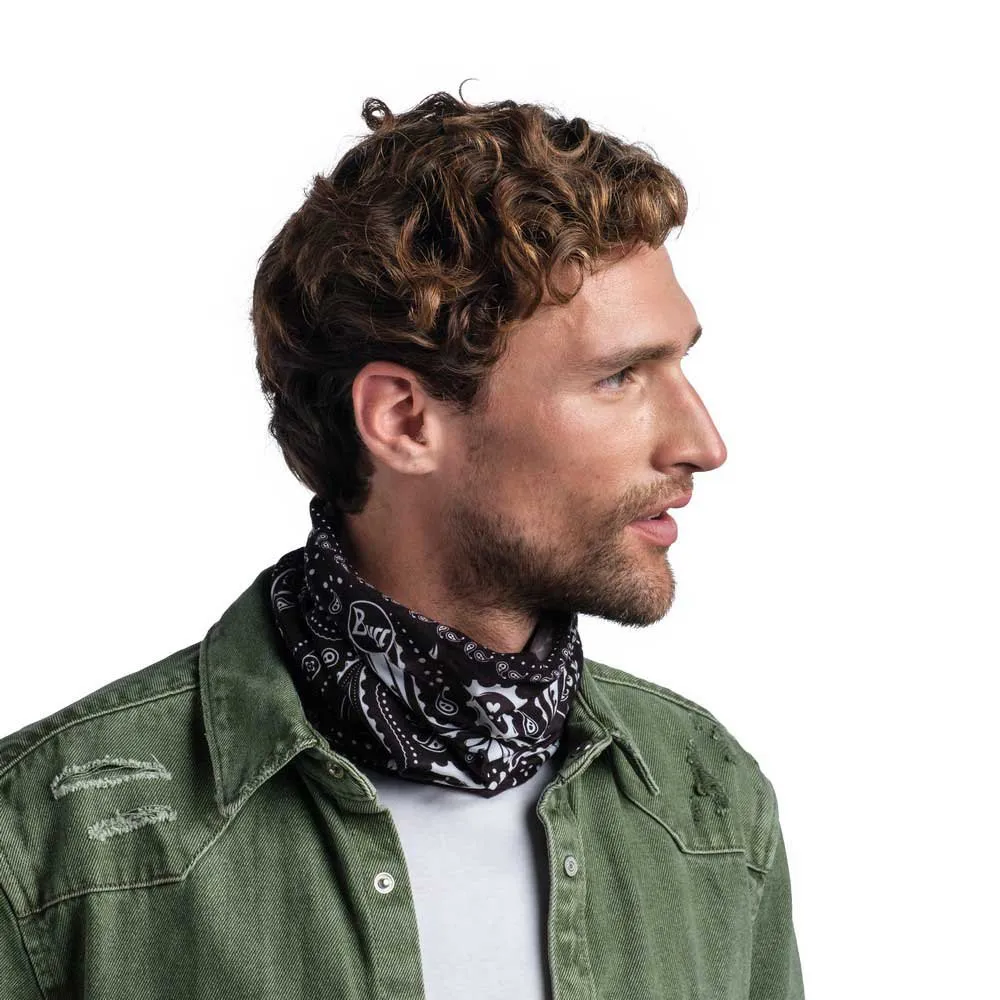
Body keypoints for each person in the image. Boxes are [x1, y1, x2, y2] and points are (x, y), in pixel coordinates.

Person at [0, 88, 805, 999]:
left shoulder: (710, 803)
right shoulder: (49, 847)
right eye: (619, 376)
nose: (703, 443)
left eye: (679, 363)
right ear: (404, 420)